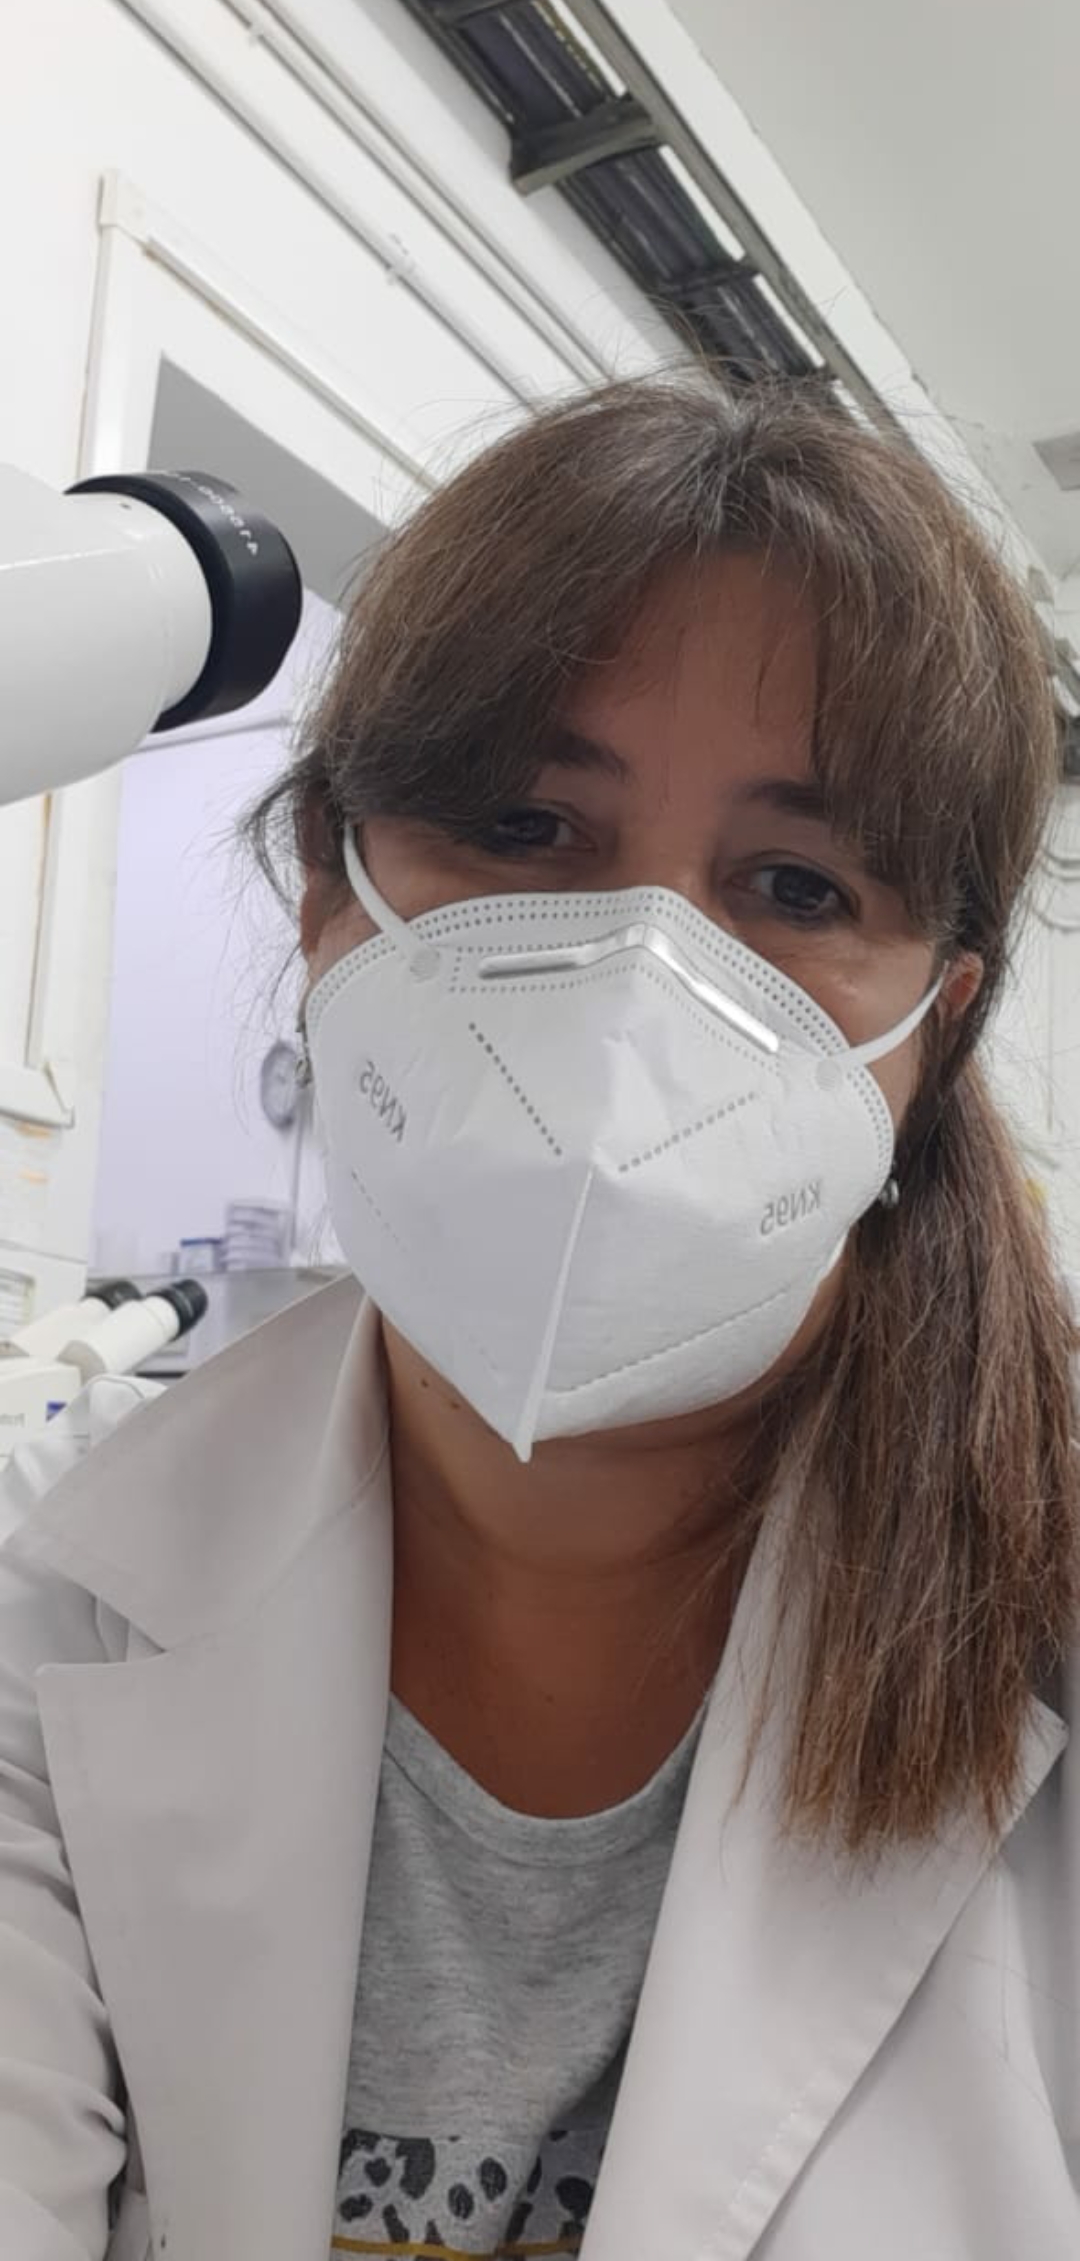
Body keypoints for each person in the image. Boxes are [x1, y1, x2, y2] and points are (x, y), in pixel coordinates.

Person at [0, 378, 1077, 2261]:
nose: (642, 977)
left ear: (937, 1026)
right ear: (331, 896)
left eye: (797, 886)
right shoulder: (56, 1604)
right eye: (524, 823)